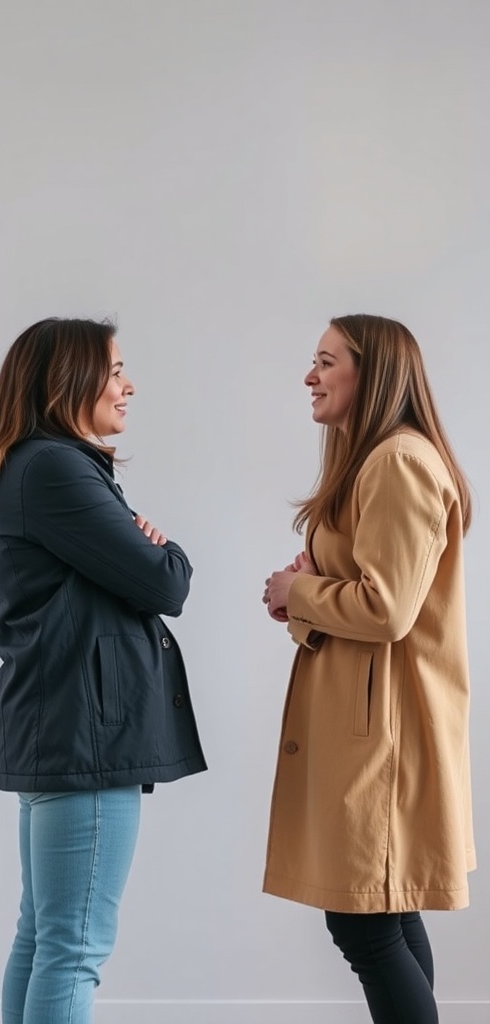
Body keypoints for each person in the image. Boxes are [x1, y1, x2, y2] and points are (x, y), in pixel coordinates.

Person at [0, 317, 207, 1024]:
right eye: (115, 370)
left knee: (44, 936)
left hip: (59, 729)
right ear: (68, 380)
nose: (129, 386)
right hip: (85, 739)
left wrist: (143, 547)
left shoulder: (32, 465)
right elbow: (165, 584)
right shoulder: (55, 468)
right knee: (73, 948)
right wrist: (167, 549)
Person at [262, 314, 475, 1024]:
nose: (310, 376)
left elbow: (387, 610)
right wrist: (305, 595)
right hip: (372, 725)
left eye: (326, 362)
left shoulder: (398, 463)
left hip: (386, 735)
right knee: (387, 916)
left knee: (367, 926)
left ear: (373, 374)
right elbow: (363, 593)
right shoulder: (377, 462)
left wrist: (301, 591)